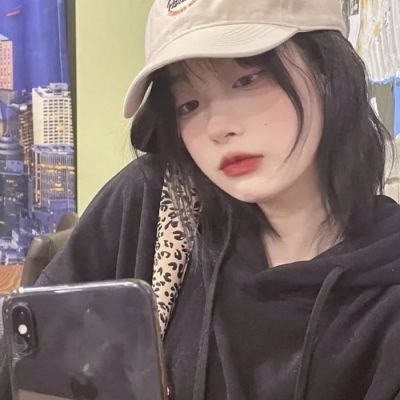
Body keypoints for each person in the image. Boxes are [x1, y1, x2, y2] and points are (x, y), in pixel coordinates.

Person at [2, 0, 400, 399]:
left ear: (327, 70)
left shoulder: (385, 288)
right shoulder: (157, 203)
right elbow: (27, 364)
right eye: (188, 104)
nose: (217, 127)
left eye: (247, 79)